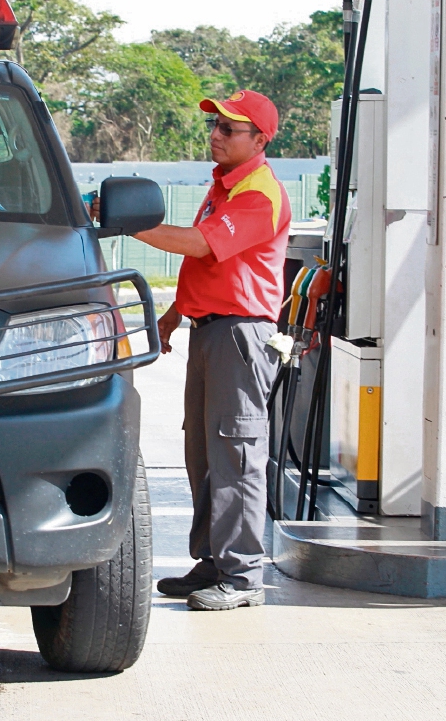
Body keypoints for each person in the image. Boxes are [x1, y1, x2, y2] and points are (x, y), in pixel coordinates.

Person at [136, 90, 290, 610]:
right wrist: (174, 317)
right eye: (217, 125)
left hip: (239, 336)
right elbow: (207, 269)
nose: (217, 134)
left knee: (237, 452)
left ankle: (243, 577)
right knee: (204, 451)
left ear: (260, 140)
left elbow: (200, 245)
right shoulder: (224, 188)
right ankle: (213, 563)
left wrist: (130, 225)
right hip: (210, 331)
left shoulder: (258, 193)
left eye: (230, 128)